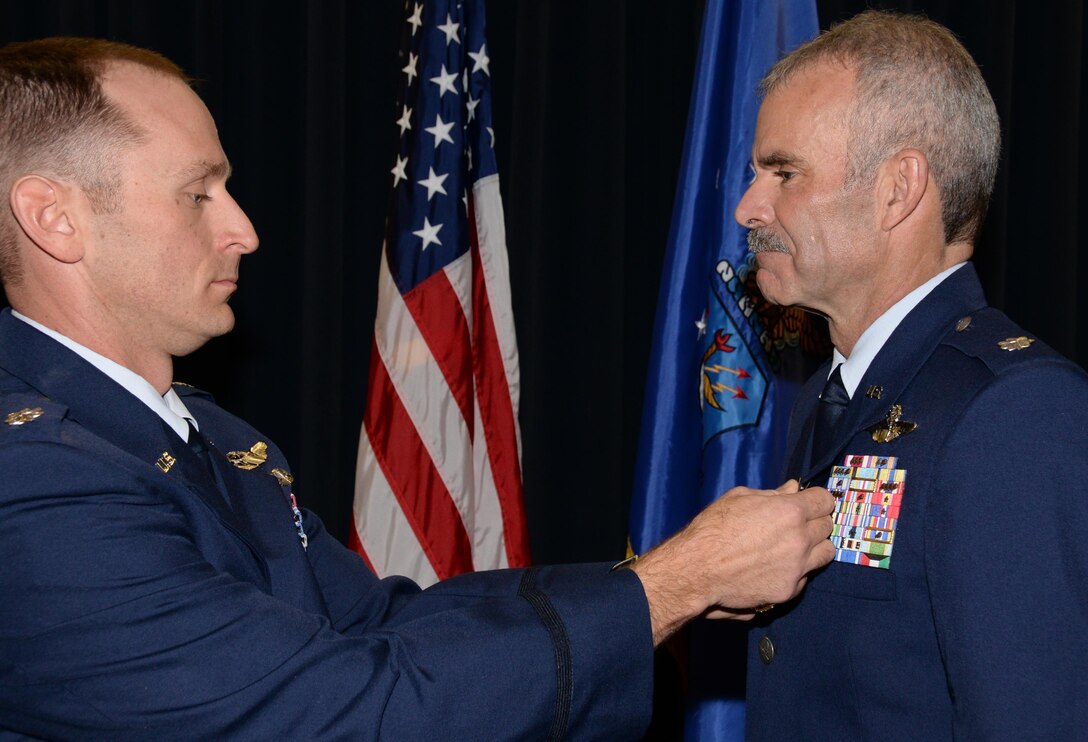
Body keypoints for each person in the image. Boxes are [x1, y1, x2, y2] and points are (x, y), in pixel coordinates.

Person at [0, 37, 835, 739]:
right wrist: (673, 587)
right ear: (54, 217)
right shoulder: (33, 484)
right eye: (198, 194)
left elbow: (386, 626)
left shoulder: (203, 434)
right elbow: (344, 711)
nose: (243, 230)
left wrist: (660, 576)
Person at [735, 10, 1088, 740]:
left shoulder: (1013, 410)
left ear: (898, 189)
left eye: (784, 172)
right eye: (755, 173)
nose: (749, 208)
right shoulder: (829, 397)